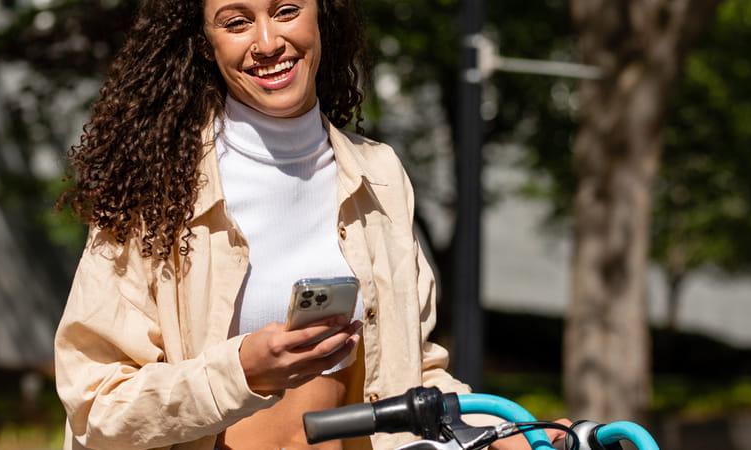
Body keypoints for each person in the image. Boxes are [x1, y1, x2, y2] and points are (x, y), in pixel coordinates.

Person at [54, 1, 562, 449]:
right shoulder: (158, 189)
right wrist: (241, 373)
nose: (268, 42)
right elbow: (97, 406)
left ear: (322, 13)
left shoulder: (379, 176)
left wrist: (504, 433)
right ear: (205, 44)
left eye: (286, 11)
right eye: (236, 22)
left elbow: (416, 371)